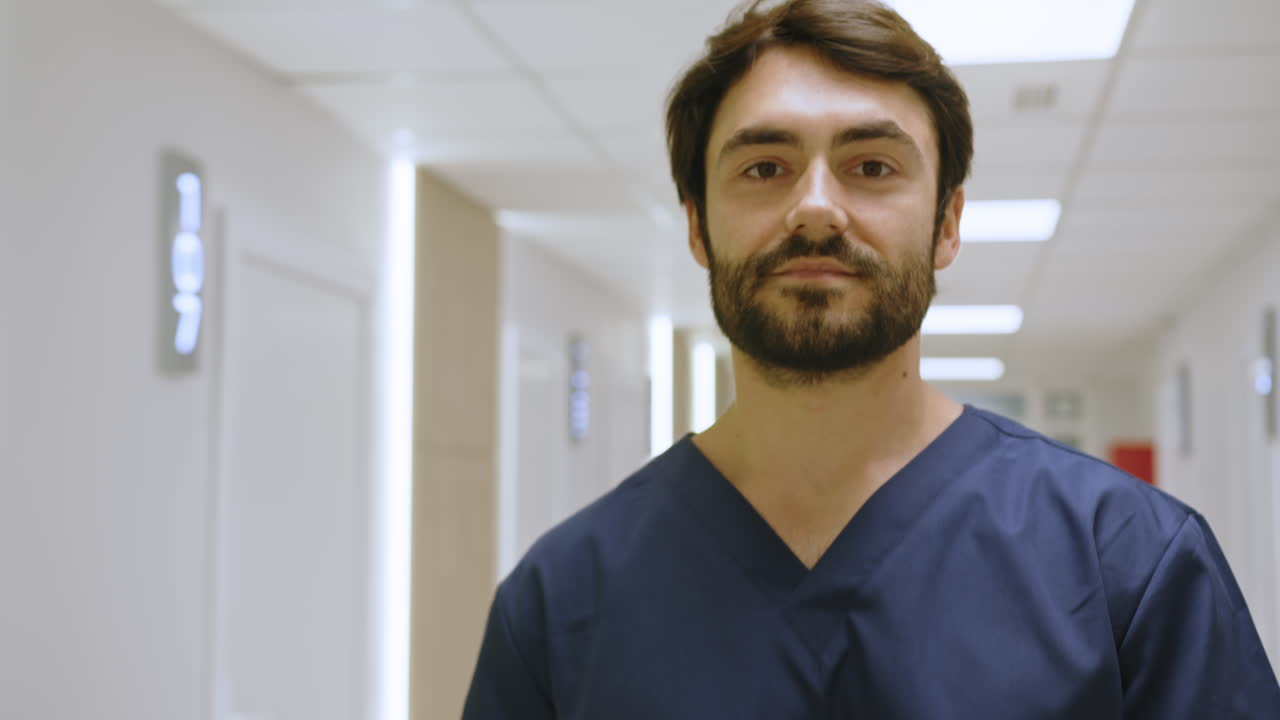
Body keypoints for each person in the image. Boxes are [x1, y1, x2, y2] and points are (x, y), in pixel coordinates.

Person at [462, 0, 1280, 717]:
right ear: (699, 226)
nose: (816, 207)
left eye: (872, 167)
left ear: (947, 224)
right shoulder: (560, 604)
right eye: (765, 167)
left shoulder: (1129, 565)